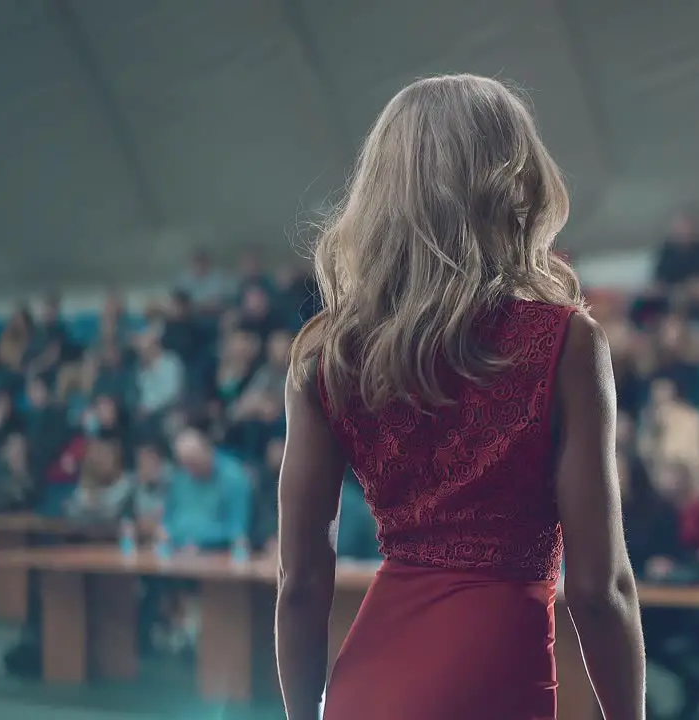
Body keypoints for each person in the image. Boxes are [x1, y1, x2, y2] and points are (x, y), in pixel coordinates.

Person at [274, 75, 645, 720]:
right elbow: (599, 589)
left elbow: (301, 583)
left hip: (369, 679)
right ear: (515, 181)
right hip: (494, 679)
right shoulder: (564, 344)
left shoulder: (329, 354)